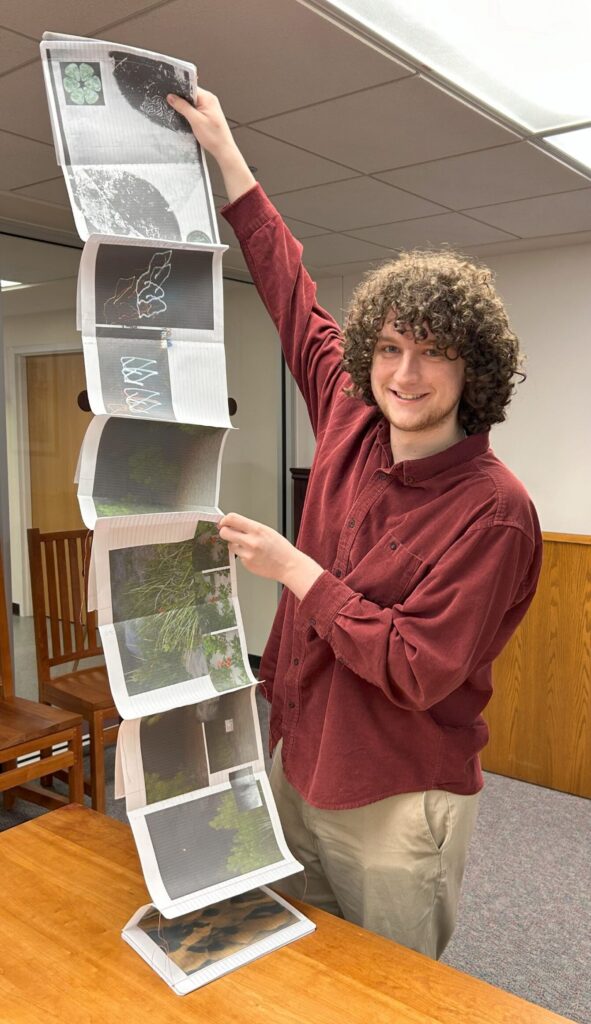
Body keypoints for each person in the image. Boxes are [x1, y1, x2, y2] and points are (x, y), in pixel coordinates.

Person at [168, 89, 542, 960]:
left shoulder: (496, 510)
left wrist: (297, 571)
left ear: (470, 368)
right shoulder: (350, 417)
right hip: (298, 759)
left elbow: (418, 670)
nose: (404, 375)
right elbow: (288, 289)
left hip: (395, 796)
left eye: (432, 353)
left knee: (390, 995)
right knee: (304, 967)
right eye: (388, 348)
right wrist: (228, 155)